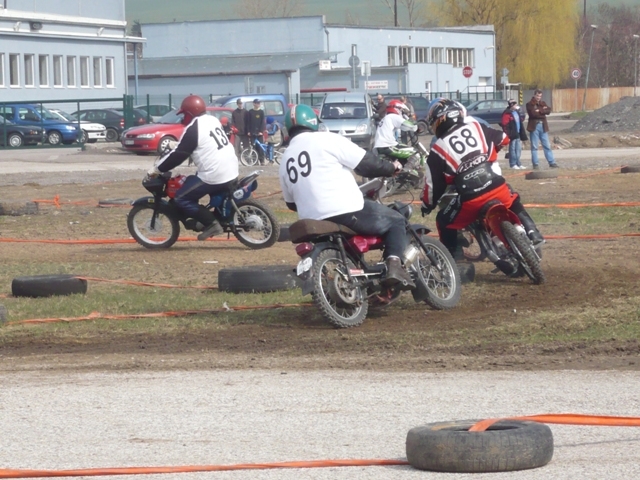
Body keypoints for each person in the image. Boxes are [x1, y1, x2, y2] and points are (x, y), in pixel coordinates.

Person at [279, 104, 415, 289]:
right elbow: (365, 163)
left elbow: (291, 203)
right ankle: (394, 267)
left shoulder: (285, 158)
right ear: (313, 122)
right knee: (396, 221)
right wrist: (391, 167)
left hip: (311, 220)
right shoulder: (326, 139)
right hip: (344, 210)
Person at [420, 98, 544, 260]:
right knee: (513, 200)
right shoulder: (477, 127)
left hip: (470, 199)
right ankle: (532, 231)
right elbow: (504, 138)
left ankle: (456, 261)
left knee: (444, 222)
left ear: (438, 121)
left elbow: (433, 187)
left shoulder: (437, 148)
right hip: (496, 186)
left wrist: (427, 205)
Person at [147, 94, 238, 241]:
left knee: (181, 198)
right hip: (231, 168)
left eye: (184, 114)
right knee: (191, 180)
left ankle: (212, 224)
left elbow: (179, 155)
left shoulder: (194, 128)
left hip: (215, 174)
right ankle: (205, 217)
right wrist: (178, 145)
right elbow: (203, 142)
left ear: (189, 113)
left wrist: (157, 169)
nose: (183, 118)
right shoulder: (212, 120)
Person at [373, 99, 419, 173]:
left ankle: (400, 171)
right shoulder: (393, 116)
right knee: (415, 152)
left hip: (380, 146)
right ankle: (406, 171)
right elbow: (410, 126)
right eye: (401, 110)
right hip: (388, 145)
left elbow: (403, 127)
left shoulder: (386, 117)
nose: (402, 112)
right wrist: (413, 122)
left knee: (402, 150)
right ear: (396, 109)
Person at [526, 89, 559, 170]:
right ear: (534, 95)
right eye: (537, 96)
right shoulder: (529, 104)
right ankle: (535, 164)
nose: (538, 97)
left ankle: (552, 162)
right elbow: (533, 114)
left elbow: (548, 110)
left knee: (547, 145)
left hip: (543, 126)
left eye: (540, 96)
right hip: (534, 127)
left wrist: (539, 110)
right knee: (534, 146)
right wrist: (543, 111)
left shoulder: (542, 103)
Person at [501, 99, 528, 170]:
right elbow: (504, 124)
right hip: (512, 134)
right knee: (512, 149)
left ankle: (518, 163)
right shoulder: (507, 113)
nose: (516, 106)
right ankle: (513, 164)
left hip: (517, 133)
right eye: (515, 104)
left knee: (518, 149)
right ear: (512, 105)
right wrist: (509, 134)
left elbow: (520, 120)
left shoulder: (516, 112)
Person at [247, 98, 266, 164]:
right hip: (252, 132)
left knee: (260, 146)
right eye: (257, 103)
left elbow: (262, 122)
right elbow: (248, 122)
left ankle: (262, 160)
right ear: (254, 104)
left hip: (259, 133)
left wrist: (261, 131)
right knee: (253, 146)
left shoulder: (261, 112)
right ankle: (255, 161)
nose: (258, 104)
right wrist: (248, 131)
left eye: (259, 103)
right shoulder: (250, 112)